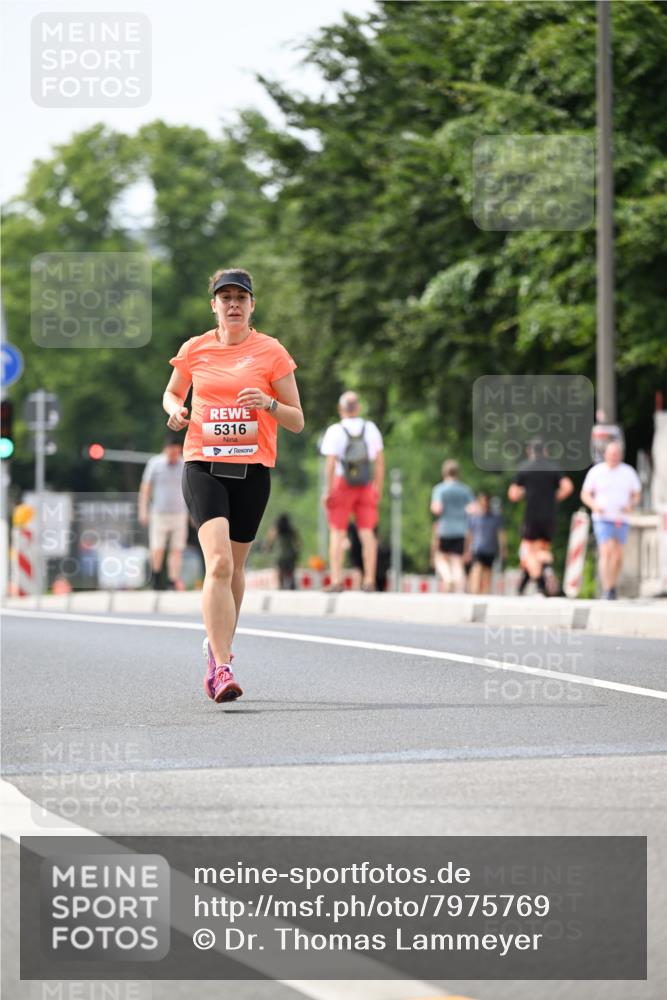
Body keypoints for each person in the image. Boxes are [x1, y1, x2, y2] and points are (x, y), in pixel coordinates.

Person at [163, 267, 303, 703]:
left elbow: (296, 420)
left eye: (240, 298)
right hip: (202, 463)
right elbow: (171, 392)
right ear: (215, 306)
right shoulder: (195, 349)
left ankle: (216, 645)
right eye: (225, 298)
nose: (233, 305)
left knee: (236, 569)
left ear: (252, 305)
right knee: (219, 563)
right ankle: (223, 666)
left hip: (252, 470)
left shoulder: (272, 352)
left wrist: (269, 403)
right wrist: (175, 410)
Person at [320, 391, 384, 592]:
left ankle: (337, 580)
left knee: (338, 533)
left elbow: (330, 464)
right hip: (365, 485)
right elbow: (380, 462)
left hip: (342, 485)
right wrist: (377, 489)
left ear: (341, 409)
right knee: (367, 534)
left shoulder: (335, 431)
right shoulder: (370, 428)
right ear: (358, 408)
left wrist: (328, 491)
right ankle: (369, 580)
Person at [508, 440, 573, 596]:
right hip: (549, 516)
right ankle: (542, 572)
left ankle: (540, 584)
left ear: (529, 451)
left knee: (529, 552)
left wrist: (525, 492)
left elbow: (513, 494)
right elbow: (568, 487)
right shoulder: (553, 468)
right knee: (542, 548)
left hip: (531, 516)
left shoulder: (525, 468)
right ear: (545, 451)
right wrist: (554, 497)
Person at [580, 440, 641, 599]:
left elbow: (636, 494)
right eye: (611, 454)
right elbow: (585, 494)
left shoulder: (628, 472)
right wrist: (595, 505)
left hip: (621, 517)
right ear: (606, 455)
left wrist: (631, 504)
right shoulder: (596, 472)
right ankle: (607, 589)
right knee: (606, 552)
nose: (614, 457)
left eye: (616, 454)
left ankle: (613, 585)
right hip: (602, 518)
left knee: (618, 555)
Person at [139, 435, 189, 590]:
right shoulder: (155, 463)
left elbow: (190, 489)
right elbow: (146, 488)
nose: (173, 455)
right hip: (159, 513)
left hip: (179, 513)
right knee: (157, 547)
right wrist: (143, 510)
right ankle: (156, 576)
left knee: (177, 549)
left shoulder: (184, 465)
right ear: (165, 449)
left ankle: (172, 581)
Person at [430, 460, 474, 593]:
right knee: (456, 561)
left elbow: (436, 508)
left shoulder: (439, 489)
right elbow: (473, 509)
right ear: (458, 473)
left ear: (444, 472)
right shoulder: (465, 490)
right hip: (461, 530)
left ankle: (447, 578)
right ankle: (459, 591)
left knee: (440, 557)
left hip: (445, 529)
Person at [465, 492, 507, 595]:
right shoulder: (474, 518)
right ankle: (474, 593)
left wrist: (503, 549)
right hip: (477, 549)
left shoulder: (495, 518)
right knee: (477, 570)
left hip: (490, 549)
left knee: (487, 573)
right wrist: (466, 550)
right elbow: (469, 535)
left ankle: (485, 595)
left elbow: (500, 534)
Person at [264, 513, 300, 590]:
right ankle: (292, 586)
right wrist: (297, 553)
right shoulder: (292, 530)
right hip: (290, 555)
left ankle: (281, 587)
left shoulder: (275, 530)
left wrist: (268, 550)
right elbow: (298, 543)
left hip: (279, 555)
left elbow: (269, 543)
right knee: (291, 573)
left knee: (280, 574)